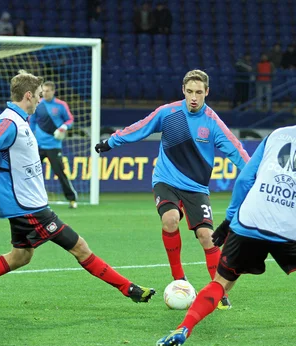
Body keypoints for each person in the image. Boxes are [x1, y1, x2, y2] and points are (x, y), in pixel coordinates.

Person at [155, 89, 296, 346]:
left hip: (249, 220)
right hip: (292, 229)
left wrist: (229, 221)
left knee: (221, 283)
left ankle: (184, 328)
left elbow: (244, 180)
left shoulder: (276, 135)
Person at [0, 70, 155, 312]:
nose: (41, 101)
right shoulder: (9, 123)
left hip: (25, 204)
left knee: (20, 257)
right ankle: (130, 290)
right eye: (39, 96)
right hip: (29, 208)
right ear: (28, 95)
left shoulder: (19, 120)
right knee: (80, 247)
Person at [94, 70, 250, 310]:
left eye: (199, 92)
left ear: (207, 92)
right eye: (190, 92)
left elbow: (236, 150)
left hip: (196, 187)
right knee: (170, 219)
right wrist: (111, 141)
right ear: (183, 91)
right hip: (166, 180)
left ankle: (217, 290)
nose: (194, 97)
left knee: (207, 238)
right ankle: (179, 277)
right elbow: (141, 127)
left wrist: (254, 175)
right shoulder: (168, 113)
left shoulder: (212, 123)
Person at [29, 81, 78, 208]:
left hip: (54, 145)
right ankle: (29, 199)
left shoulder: (61, 105)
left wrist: (64, 127)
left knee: (60, 173)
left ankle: (72, 199)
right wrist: (31, 137)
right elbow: (32, 121)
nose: (44, 93)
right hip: (38, 146)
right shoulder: (38, 104)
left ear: (53, 91)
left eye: (47, 91)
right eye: (43, 91)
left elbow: (70, 120)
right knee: (30, 173)